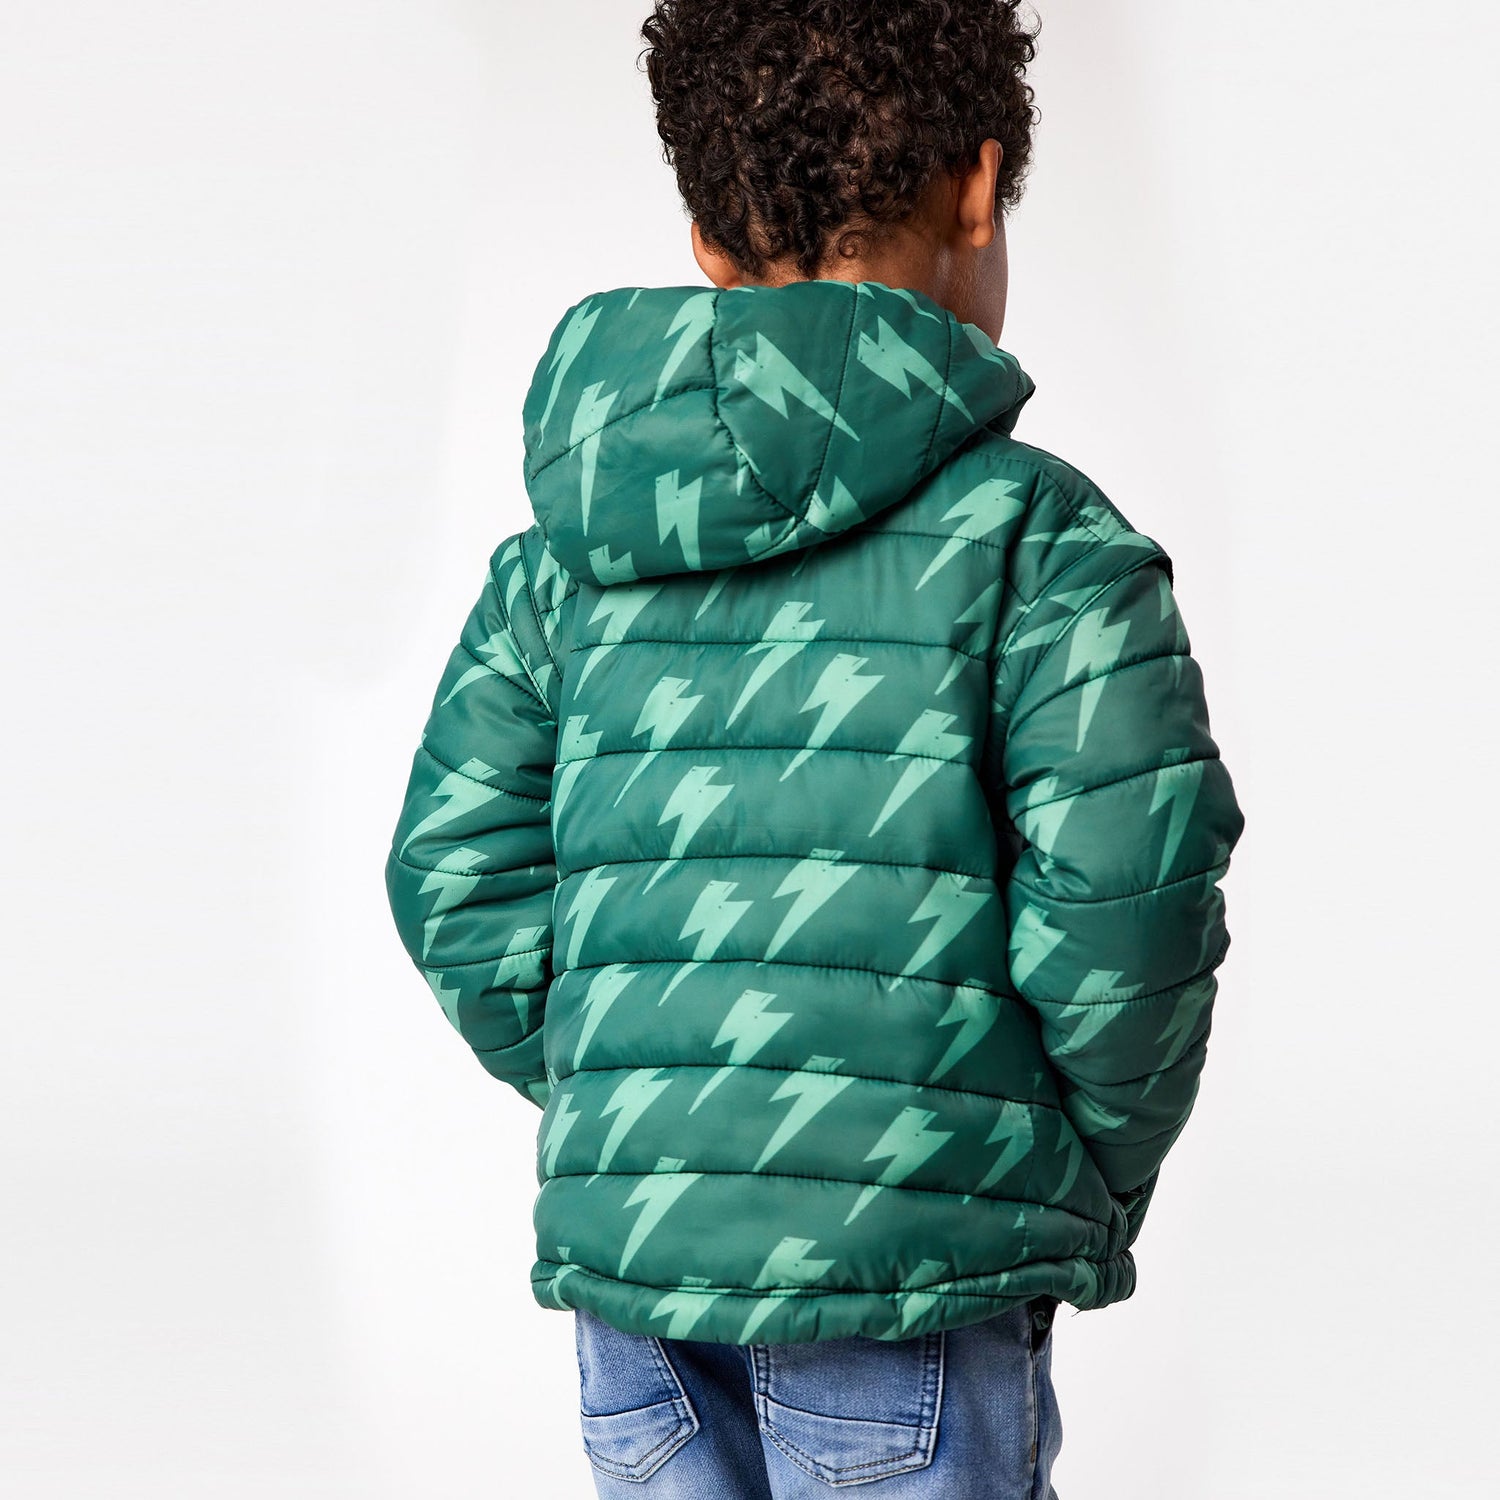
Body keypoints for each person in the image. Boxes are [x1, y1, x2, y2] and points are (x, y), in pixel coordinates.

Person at [384, 2, 1246, 1493]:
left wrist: (648, 1101)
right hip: (915, 1270)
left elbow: (451, 868)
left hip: (639, 1289)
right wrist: (1063, 1165)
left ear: (706, 237)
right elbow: (1132, 902)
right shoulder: (1046, 550)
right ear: (980, 189)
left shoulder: (566, 558)